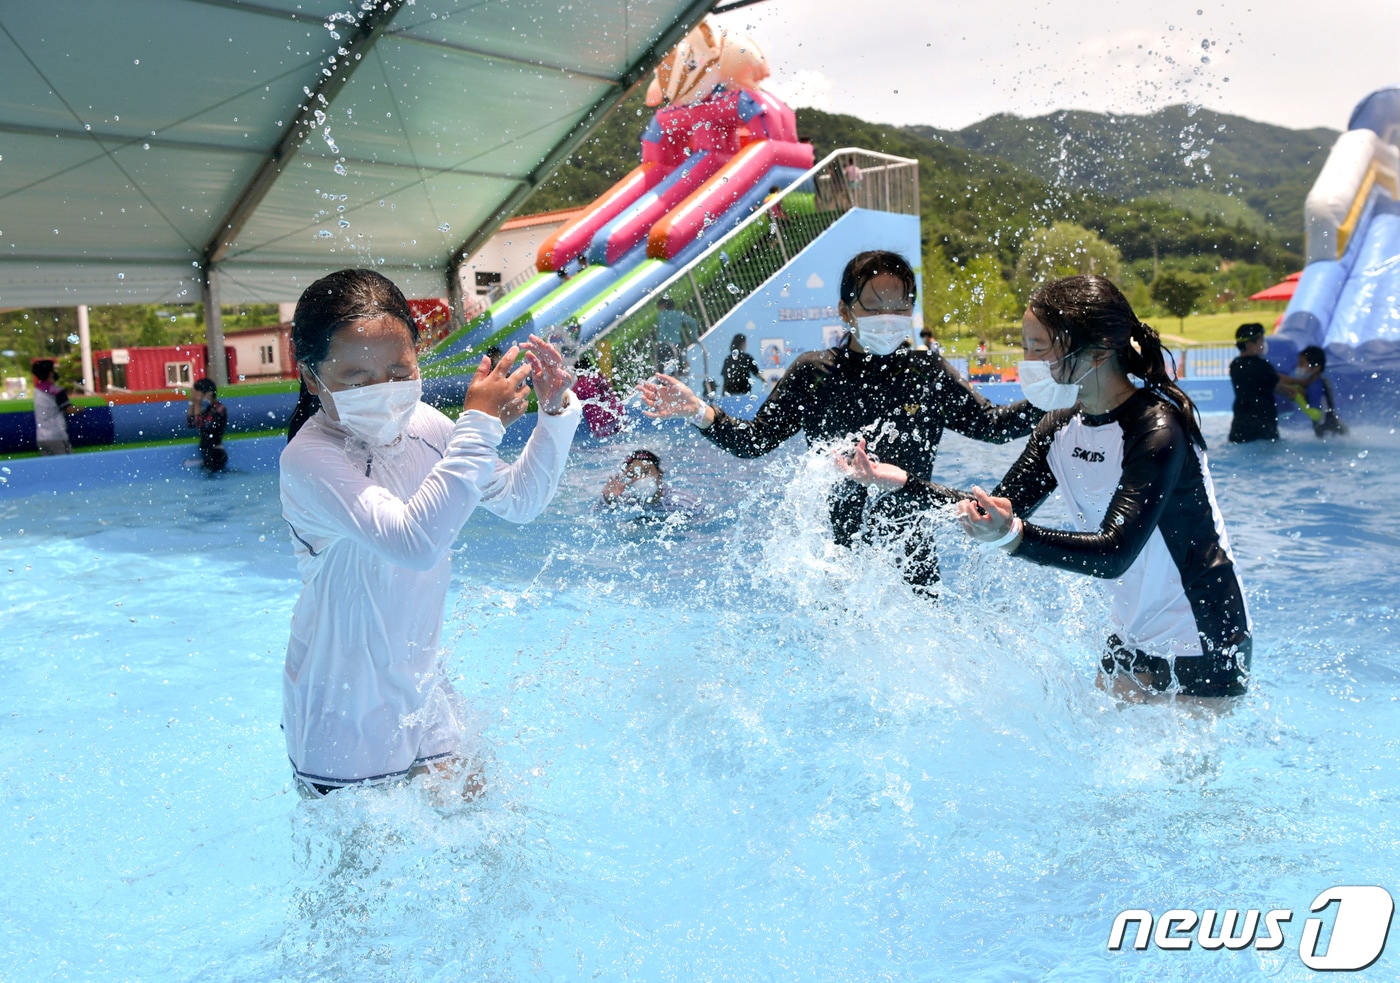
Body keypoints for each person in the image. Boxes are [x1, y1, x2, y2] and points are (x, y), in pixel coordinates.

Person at [853, 275, 1249, 699]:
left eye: (1038, 347)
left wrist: (1013, 537)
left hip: (1204, 631)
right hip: (1132, 633)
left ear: (1096, 351)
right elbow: (994, 511)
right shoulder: (1060, 426)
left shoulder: (1155, 429)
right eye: (1025, 346)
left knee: (1180, 768)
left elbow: (1114, 553)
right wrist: (901, 483)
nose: (1027, 360)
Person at [279, 269, 581, 796]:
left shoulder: (429, 427)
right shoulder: (309, 460)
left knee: (487, 834)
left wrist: (553, 412)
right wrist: (481, 427)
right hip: (341, 708)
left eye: (399, 371)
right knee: (365, 875)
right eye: (357, 380)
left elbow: (519, 501)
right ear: (310, 376)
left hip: (424, 688)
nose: (384, 393)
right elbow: (414, 544)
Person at [639, 250, 1042, 593]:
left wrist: (1052, 394)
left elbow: (992, 426)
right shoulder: (815, 374)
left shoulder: (926, 372)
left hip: (911, 557)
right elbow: (753, 441)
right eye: (875, 304)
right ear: (845, 311)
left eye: (899, 305)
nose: (889, 315)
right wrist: (698, 411)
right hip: (839, 562)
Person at [1228, 323, 1304, 443]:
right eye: (1261, 341)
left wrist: (1298, 381)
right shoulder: (1262, 366)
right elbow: (1278, 386)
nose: (1263, 345)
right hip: (1262, 423)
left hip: (1240, 423)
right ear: (1250, 345)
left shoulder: (1235, 365)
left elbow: (1273, 377)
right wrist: (1295, 391)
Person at [596, 448, 701, 520]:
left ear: (660, 475)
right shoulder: (628, 501)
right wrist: (608, 498)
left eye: (646, 472)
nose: (640, 478)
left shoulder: (680, 502)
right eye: (634, 474)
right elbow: (597, 516)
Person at [1294, 345, 1347, 437]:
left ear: (1316, 367)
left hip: (1330, 431)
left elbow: (1316, 415)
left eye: (1302, 364)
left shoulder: (1316, 386)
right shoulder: (1317, 382)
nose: (1298, 367)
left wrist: (1298, 398)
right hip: (1334, 429)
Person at [572, 350, 625, 438]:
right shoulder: (599, 376)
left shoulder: (581, 384)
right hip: (618, 415)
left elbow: (568, 401)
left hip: (602, 424)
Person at [31, 359, 78, 455]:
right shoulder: (56, 391)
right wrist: (82, 409)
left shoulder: (37, 391)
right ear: (50, 373)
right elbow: (69, 410)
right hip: (57, 436)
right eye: (53, 370)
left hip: (42, 438)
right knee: (67, 466)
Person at [186, 378, 228, 472]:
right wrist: (192, 404)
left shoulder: (219, 409)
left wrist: (196, 404)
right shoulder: (206, 408)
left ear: (208, 394)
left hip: (216, 454)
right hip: (207, 453)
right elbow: (190, 423)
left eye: (198, 394)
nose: (195, 397)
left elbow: (202, 425)